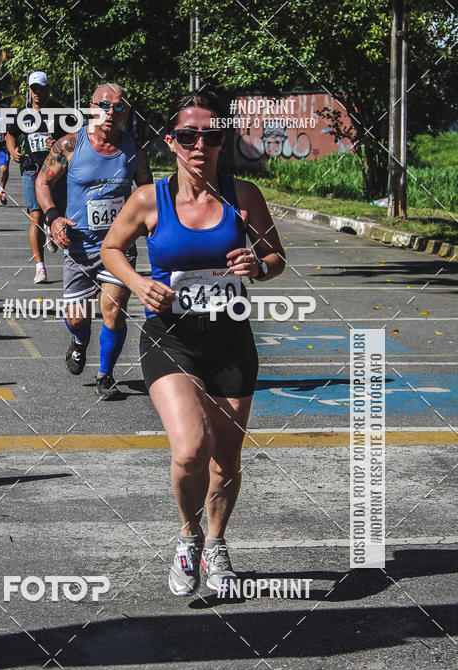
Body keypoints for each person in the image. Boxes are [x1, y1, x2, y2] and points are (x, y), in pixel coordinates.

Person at [101, 90, 286, 595]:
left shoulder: (243, 195)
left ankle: (217, 543)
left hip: (230, 338)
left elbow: (275, 258)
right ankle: (188, 537)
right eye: (188, 136)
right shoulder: (149, 199)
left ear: (223, 141)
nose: (199, 145)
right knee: (191, 450)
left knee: (227, 456)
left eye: (210, 136)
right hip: (171, 336)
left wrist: (257, 266)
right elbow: (111, 248)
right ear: (171, 141)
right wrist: (138, 284)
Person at [35, 82, 153, 399]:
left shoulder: (134, 152)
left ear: (126, 113)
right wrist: (53, 217)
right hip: (78, 246)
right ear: (91, 108)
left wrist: (149, 224)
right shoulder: (70, 145)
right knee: (77, 318)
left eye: (118, 107)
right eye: (104, 105)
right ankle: (80, 340)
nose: (110, 112)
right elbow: (43, 181)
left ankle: (106, 375)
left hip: (118, 247)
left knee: (114, 311)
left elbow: (147, 191)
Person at [6, 71, 67, 284]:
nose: (37, 93)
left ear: (48, 89)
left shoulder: (60, 112)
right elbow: (10, 134)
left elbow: (75, 137)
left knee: (58, 213)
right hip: (31, 168)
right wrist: (12, 150)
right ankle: (40, 267)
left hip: (55, 170)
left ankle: (51, 228)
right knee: (36, 215)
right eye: (34, 89)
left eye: (41, 88)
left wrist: (58, 143)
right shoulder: (23, 114)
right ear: (29, 90)